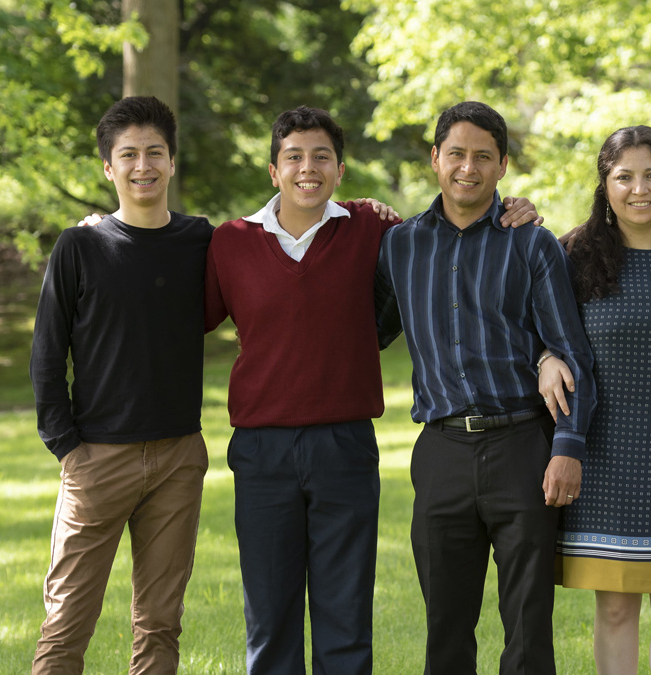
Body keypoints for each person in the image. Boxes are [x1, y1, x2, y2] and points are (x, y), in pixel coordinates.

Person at [202, 105, 540, 675]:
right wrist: (105, 229)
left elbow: (453, 232)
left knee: (345, 612)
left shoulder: (376, 230)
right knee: (269, 616)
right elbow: (180, 311)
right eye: (294, 158)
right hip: (261, 450)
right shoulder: (231, 242)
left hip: (345, 444)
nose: (307, 169)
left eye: (321, 158)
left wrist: (517, 210)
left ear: (339, 170)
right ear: (273, 170)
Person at [375, 100, 596, 675]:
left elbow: (571, 352)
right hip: (441, 450)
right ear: (435, 159)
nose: (467, 168)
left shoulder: (530, 243)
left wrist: (568, 447)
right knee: (445, 621)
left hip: (523, 444)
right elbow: (366, 332)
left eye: (482, 157)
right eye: (456, 154)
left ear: (502, 166)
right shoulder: (400, 245)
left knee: (527, 621)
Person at [29, 96, 212, 674]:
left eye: (154, 152)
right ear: (109, 167)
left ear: (172, 162)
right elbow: (45, 354)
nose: (143, 166)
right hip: (96, 458)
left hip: (179, 456)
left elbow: (282, 230)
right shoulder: (79, 247)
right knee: (66, 624)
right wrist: (67, 449)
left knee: (159, 624)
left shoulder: (202, 242)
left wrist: (359, 208)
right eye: (128, 154)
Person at [537, 126, 651, 674]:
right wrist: (544, 358)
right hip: (604, 454)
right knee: (614, 610)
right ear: (605, 184)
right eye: (625, 177)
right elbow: (534, 328)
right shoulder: (572, 255)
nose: (640, 189)